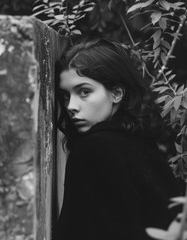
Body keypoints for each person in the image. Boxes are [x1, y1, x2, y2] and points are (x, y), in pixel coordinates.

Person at [55, 39, 182, 240]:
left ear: (116, 93)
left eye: (84, 91)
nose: (71, 106)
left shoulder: (94, 149)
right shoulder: (142, 146)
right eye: (65, 96)